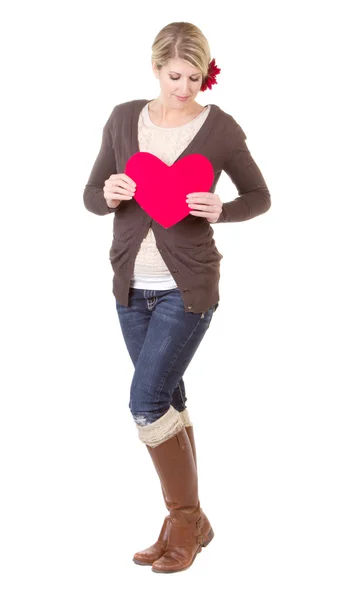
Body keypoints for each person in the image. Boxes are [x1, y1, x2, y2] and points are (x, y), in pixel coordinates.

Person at [83, 21, 271, 574]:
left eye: (193, 77)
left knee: (146, 400)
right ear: (155, 68)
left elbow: (259, 195)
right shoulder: (122, 119)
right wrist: (110, 192)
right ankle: (193, 521)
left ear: (205, 72)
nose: (184, 88)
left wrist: (224, 210)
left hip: (187, 289)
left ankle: (183, 521)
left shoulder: (221, 130)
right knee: (168, 398)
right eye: (174, 76)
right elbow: (92, 194)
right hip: (129, 287)